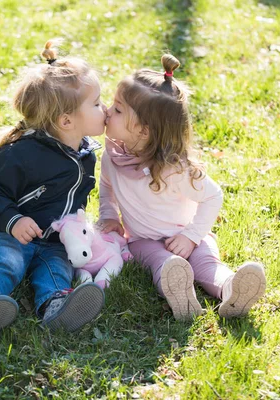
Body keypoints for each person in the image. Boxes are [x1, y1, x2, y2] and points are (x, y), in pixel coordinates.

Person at [98, 54, 266, 321]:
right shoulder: (113, 157)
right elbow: (106, 186)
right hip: (142, 240)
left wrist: (191, 236)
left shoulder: (174, 168)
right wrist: (108, 214)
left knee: (207, 265)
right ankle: (180, 292)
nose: (107, 111)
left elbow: (213, 196)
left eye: (117, 109)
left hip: (188, 234)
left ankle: (232, 290)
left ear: (143, 131)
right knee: (161, 264)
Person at [0, 40, 108, 333]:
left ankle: (56, 306)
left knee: (57, 270)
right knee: (8, 263)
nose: (104, 109)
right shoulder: (22, 154)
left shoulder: (84, 154)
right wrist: (13, 221)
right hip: (13, 235)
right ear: (66, 120)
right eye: (96, 104)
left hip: (55, 241)